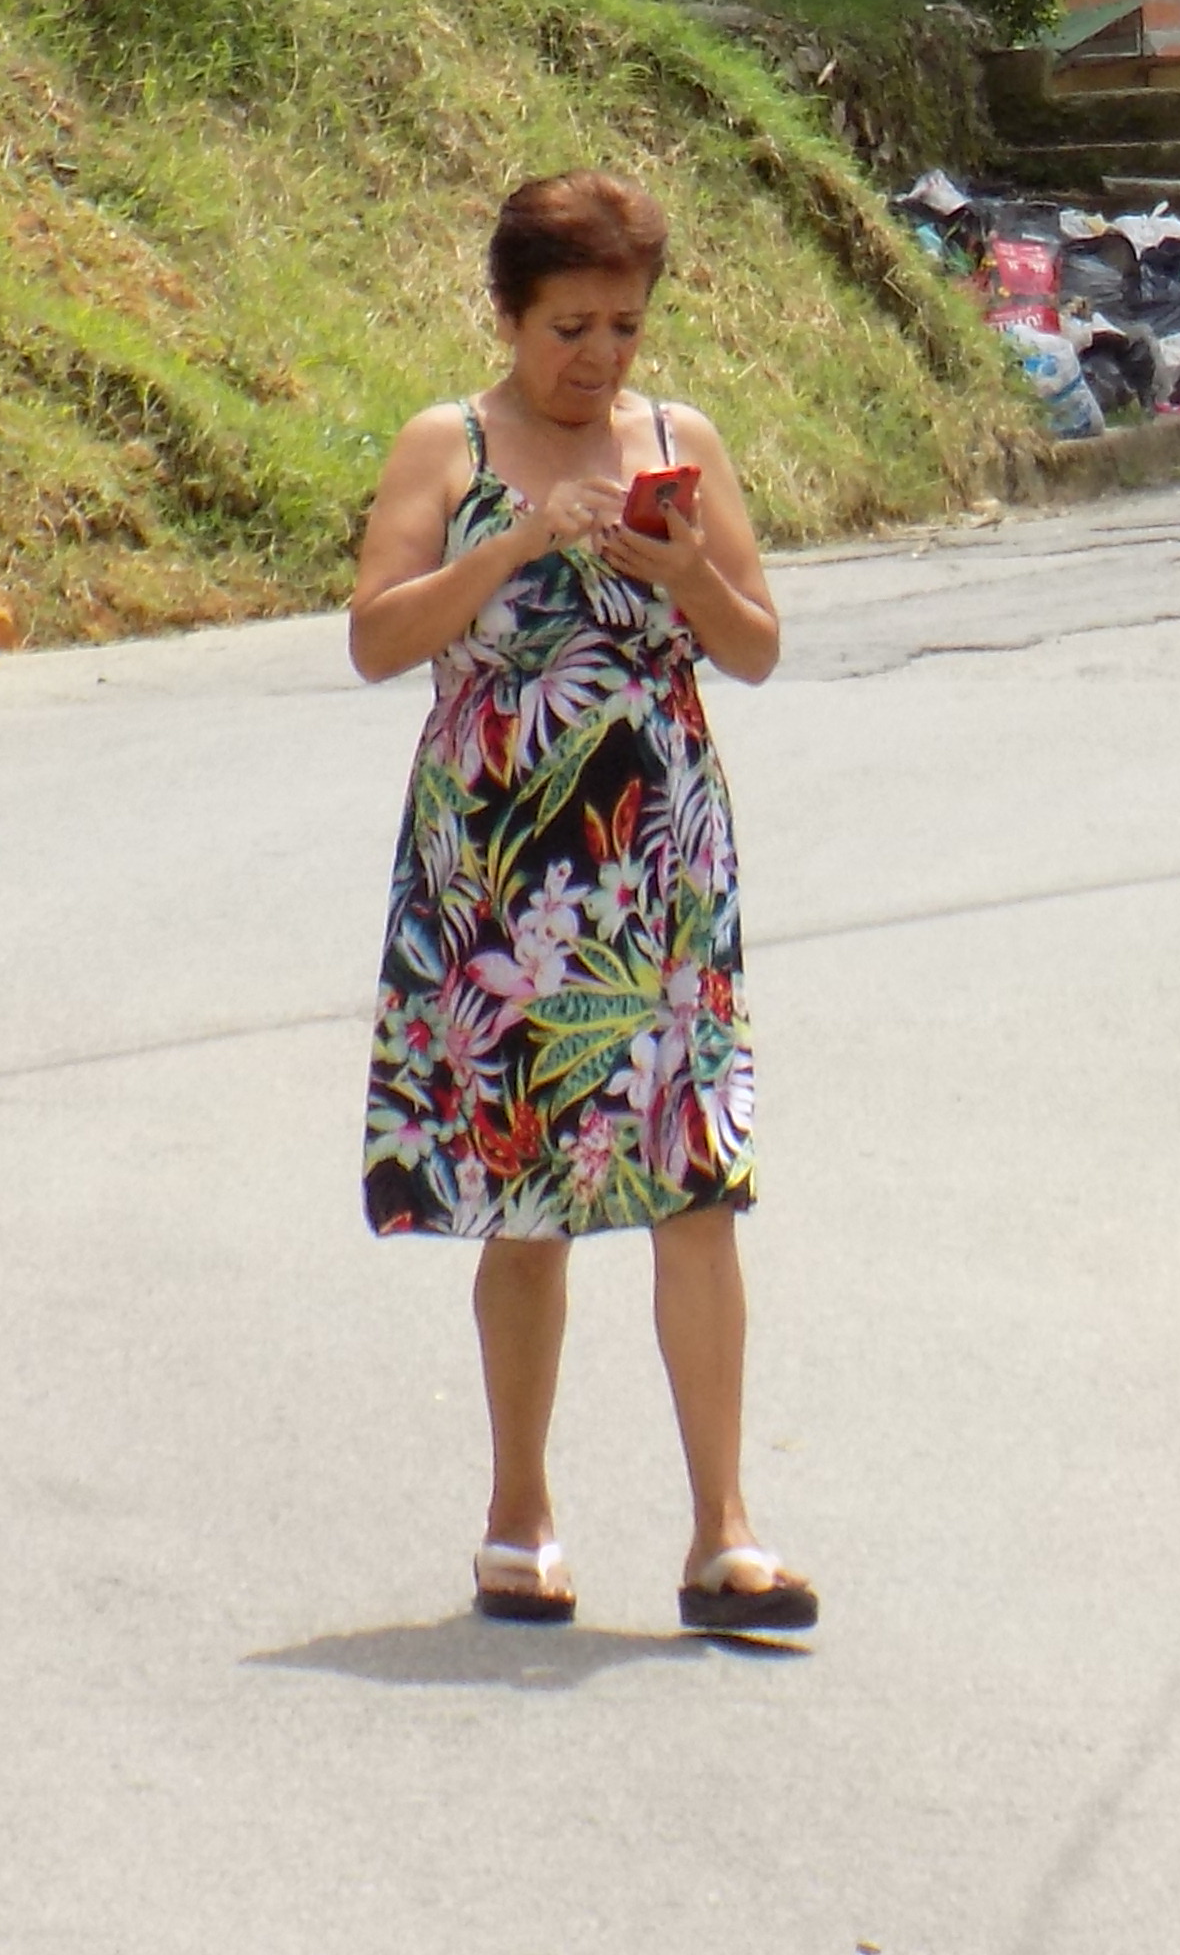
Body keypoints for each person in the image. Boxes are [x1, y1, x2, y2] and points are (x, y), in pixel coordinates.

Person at [349, 170, 816, 1639]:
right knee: (524, 1196)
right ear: (505, 314)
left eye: (622, 325)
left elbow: (754, 647)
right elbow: (375, 640)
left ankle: (725, 1534)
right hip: (496, 866)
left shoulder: (681, 444)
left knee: (697, 1180)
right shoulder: (450, 441)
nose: (598, 359)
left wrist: (677, 572)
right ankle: (519, 1515)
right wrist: (521, 542)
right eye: (568, 326)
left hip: (659, 859)